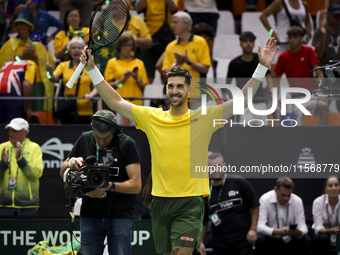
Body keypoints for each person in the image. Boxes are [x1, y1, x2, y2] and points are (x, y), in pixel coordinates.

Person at [79, 33, 278, 254]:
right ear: (166, 88)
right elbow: (115, 101)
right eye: (171, 86)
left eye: (180, 87)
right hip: (160, 202)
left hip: (190, 202)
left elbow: (242, 99)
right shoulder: (151, 117)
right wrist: (92, 68)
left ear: (189, 90)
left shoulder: (205, 116)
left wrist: (261, 68)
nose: (175, 91)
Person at [59, 110, 141, 255]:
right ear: (92, 128)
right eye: (97, 137)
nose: (101, 142)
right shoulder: (84, 138)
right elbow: (63, 171)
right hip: (90, 213)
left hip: (119, 214)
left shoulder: (126, 143)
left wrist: (109, 186)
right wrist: (71, 162)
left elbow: (136, 185)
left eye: (106, 138)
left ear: (114, 131)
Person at [199, 152, 259, 255]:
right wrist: (200, 242)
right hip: (219, 245)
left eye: (219, 166)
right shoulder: (206, 191)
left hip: (243, 242)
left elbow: (255, 205)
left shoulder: (239, 182)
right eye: (212, 167)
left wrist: (253, 229)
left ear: (224, 166)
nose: (216, 170)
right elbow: (204, 221)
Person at [272, 26, 328, 125]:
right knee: (293, 128)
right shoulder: (283, 57)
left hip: (312, 94)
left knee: (323, 105)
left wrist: (320, 91)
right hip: (294, 97)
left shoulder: (308, 51)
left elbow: (318, 71)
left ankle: (323, 135)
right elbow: (276, 81)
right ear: (287, 39)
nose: (293, 40)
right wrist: (275, 101)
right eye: (291, 37)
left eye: (296, 37)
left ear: (301, 38)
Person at [0, 13, 55, 113]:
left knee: (38, 111)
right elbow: (8, 63)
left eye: (23, 24)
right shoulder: (11, 43)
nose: (20, 27)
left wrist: (34, 56)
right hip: (15, 82)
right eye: (18, 25)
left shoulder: (38, 44)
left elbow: (44, 65)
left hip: (36, 81)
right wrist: (22, 54)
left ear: (29, 26)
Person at [162, 11, 211, 100]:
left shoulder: (200, 42)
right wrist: (178, 63)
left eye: (175, 22)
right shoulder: (170, 46)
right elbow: (165, 73)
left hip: (197, 95)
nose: (172, 25)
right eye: (172, 23)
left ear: (185, 24)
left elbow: (205, 69)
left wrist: (188, 61)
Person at [46, 37, 96, 124]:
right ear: (69, 50)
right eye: (73, 48)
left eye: (79, 48)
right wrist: (49, 72)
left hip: (86, 110)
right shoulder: (63, 65)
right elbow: (53, 78)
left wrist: (91, 95)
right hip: (67, 109)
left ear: (84, 50)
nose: (76, 50)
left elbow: (97, 86)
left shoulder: (91, 66)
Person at [0, 118, 43, 216]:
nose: (11, 134)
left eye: (15, 131)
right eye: (10, 130)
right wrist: (2, 164)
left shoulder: (34, 148)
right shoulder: (2, 147)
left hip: (28, 205)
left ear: (25, 132)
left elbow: (37, 173)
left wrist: (21, 160)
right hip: (4, 205)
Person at [256, 177, 311, 255]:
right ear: (275, 190)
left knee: (306, 239)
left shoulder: (297, 201)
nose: (286, 198)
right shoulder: (264, 199)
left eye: (289, 195)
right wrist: (276, 232)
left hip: (290, 237)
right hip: (271, 237)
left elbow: (303, 227)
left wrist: (298, 232)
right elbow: (259, 226)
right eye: (283, 195)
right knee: (259, 239)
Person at [104, 31, 148, 126]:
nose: (128, 48)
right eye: (125, 45)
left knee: (137, 130)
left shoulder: (139, 63)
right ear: (120, 46)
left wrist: (136, 78)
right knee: (118, 130)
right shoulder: (112, 62)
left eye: (130, 45)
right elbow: (107, 86)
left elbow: (143, 87)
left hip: (136, 104)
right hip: (119, 103)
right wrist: (123, 80)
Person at [227, 31, 271, 125]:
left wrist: (268, 92)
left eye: (251, 41)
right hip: (244, 104)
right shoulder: (234, 63)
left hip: (260, 102)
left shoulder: (260, 60)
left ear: (254, 43)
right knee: (244, 134)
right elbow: (227, 85)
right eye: (245, 41)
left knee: (263, 133)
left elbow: (269, 77)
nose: (248, 43)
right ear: (240, 43)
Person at [259, 0, 312, 72]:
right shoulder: (279, 3)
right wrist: (272, 33)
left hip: (297, 44)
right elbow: (263, 16)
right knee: (275, 73)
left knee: (297, 71)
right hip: (281, 43)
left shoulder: (304, 4)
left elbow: (308, 22)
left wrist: (308, 34)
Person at [136, 0, 178, 84]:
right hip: (149, 38)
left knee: (166, 74)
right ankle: (147, 96)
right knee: (148, 75)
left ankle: (166, 94)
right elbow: (138, 9)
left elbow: (174, 8)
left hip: (166, 37)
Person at [311, 176, 340, 255]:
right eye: (330, 186)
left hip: (339, 233)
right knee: (324, 238)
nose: (334, 188)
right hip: (322, 234)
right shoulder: (318, 202)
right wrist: (330, 231)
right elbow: (318, 228)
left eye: (336, 185)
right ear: (325, 189)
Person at [313, 3, 340, 68]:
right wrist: (323, 35)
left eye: (339, 15)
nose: (338, 18)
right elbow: (320, 54)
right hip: (325, 70)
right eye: (335, 15)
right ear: (328, 15)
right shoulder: (319, 31)